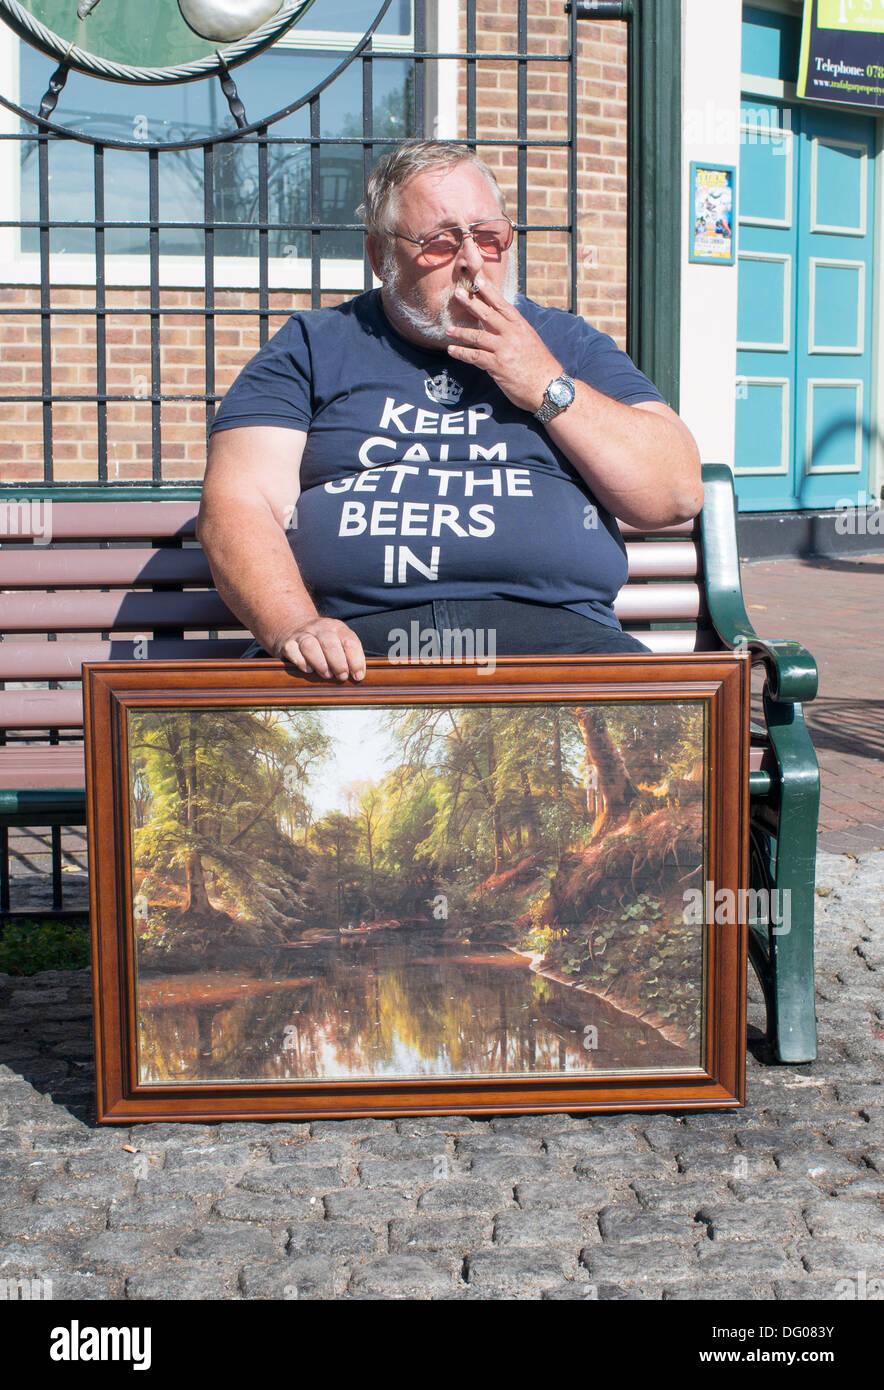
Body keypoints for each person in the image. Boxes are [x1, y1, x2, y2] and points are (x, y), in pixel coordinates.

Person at [198, 140, 703, 681]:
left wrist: (545, 383)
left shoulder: (567, 343)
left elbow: (674, 495)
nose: (472, 261)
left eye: (490, 237)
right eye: (439, 242)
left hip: (559, 647)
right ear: (379, 257)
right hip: (353, 652)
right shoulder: (313, 347)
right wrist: (294, 625)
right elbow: (238, 501)